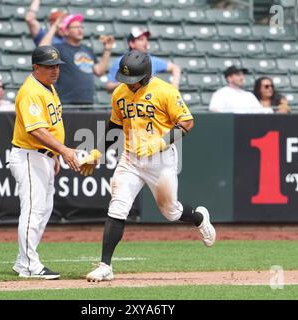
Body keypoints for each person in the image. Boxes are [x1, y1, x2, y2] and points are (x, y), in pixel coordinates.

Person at [79, 51, 216, 282]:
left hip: (161, 159)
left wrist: (160, 142)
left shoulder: (165, 91)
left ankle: (199, 218)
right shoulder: (120, 92)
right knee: (118, 207)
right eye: (126, 80)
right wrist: (96, 152)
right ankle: (105, 265)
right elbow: (114, 126)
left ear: (146, 74)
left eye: (133, 80)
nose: (129, 85)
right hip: (131, 158)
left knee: (171, 212)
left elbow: (187, 122)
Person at [9, 46, 81, 280]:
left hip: (44, 157)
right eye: (49, 66)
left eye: (57, 66)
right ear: (36, 67)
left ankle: (24, 261)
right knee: (32, 210)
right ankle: (30, 264)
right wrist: (63, 150)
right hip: (30, 155)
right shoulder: (31, 91)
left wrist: (55, 155)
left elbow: (50, 126)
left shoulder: (47, 87)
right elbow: (36, 130)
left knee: (43, 210)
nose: (54, 71)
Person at [54, 14, 114, 105]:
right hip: (67, 103)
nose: (80, 29)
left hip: (88, 101)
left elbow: (99, 71)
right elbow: (42, 47)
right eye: (76, 27)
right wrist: (54, 27)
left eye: (81, 27)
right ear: (66, 31)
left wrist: (107, 49)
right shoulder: (59, 48)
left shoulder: (87, 49)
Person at [105, 27, 181, 92]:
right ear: (132, 43)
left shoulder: (151, 60)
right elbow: (108, 86)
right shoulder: (121, 61)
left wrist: (174, 86)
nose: (145, 42)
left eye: (146, 39)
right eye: (141, 39)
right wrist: (126, 82)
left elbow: (175, 68)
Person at [209, 66, 273, 114]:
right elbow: (214, 111)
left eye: (242, 75)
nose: (242, 78)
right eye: (238, 75)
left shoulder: (249, 95)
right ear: (229, 78)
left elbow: (260, 112)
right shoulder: (221, 94)